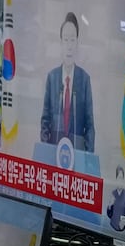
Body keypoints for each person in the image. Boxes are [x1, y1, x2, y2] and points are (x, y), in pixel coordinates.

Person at [40, 12, 95, 152]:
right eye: (65, 40)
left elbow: (89, 126)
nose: (69, 46)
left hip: (77, 156)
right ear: (60, 43)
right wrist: (46, 150)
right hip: (54, 154)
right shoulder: (52, 78)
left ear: (77, 43)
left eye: (72, 40)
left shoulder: (84, 80)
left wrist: (87, 158)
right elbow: (45, 121)